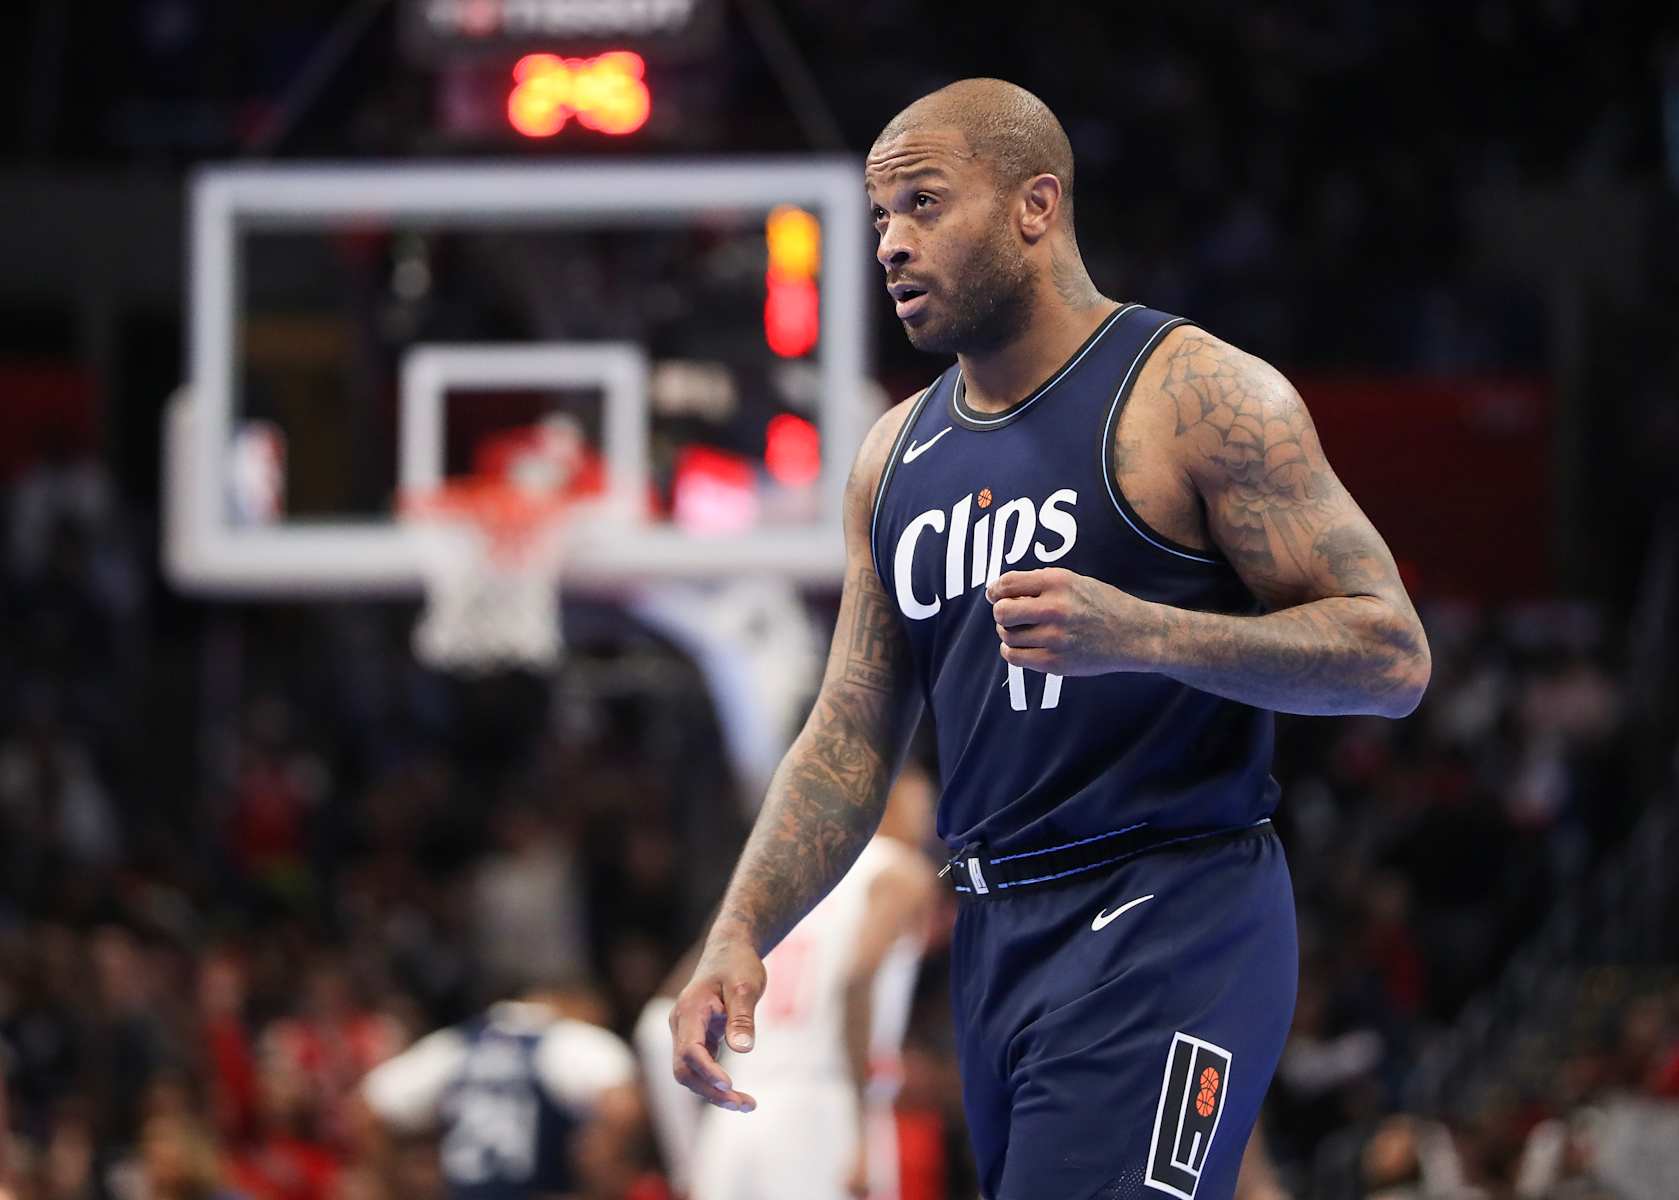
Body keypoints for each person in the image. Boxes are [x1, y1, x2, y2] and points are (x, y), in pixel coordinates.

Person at [670, 77, 1431, 1200]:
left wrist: (1148, 633)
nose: (891, 244)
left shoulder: (1195, 396)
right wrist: (740, 930)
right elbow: (849, 732)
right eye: (882, 217)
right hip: (996, 936)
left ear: (1036, 205)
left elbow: (1392, 656)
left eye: (924, 205)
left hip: (1172, 909)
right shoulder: (893, 458)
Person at [638, 769, 938, 1200]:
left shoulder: (766, 885)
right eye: (922, 805)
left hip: (733, 1116)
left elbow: (656, 1023)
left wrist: (689, 1162)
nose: (927, 822)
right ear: (882, 799)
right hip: (825, 1106)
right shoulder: (899, 871)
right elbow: (856, 980)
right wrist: (860, 1115)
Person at [357, 980, 639, 1200]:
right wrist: (595, 1189)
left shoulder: (457, 1044)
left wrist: (398, 1189)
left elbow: (365, 1110)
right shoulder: (568, 1038)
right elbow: (621, 1107)